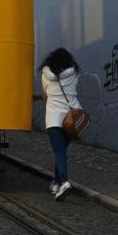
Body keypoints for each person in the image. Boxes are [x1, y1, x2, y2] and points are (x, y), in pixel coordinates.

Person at [38, 47, 81, 201]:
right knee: (61, 151)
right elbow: (75, 89)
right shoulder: (74, 73)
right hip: (72, 119)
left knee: (59, 152)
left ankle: (63, 182)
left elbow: (45, 95)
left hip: (54, 119)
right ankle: (56, 182)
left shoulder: (45, 75)